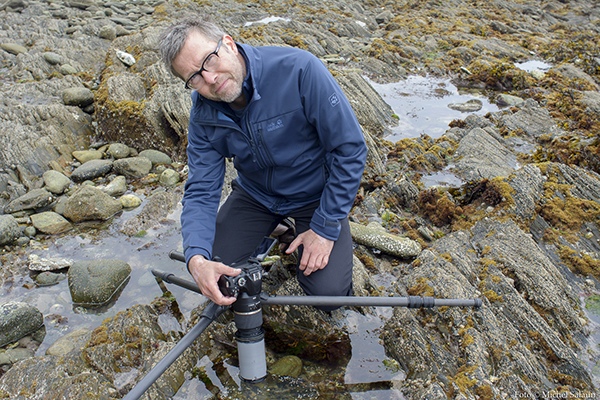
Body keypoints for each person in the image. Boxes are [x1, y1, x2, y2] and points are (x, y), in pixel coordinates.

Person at [159, 17, 367, 310]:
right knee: (218, 278)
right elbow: (201, 190)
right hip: (256, 196)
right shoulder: (203, 114)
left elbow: (349, 149)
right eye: (193, 77)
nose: (210, 78)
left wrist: (324, 228)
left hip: (315, 196)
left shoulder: (299, 69)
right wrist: (196, 259)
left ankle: (306, 227)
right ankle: (280, 229)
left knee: (329, 296)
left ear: (228, 44)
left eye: (210, 59)